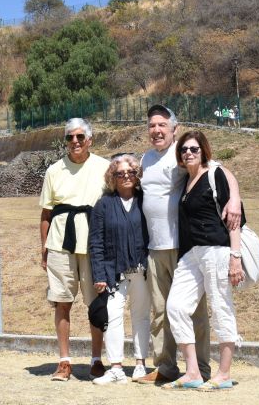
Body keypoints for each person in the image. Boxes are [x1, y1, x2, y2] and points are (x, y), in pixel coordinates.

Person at [135, 105, 241, 387]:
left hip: (186, 245)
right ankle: (166, 366)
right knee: (164, 310)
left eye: (162, 125)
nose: (156, 130)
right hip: (157, 247)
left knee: (199, 312)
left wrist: (234, 197)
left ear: (174, 129)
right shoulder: (146, 158)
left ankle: (205, 369)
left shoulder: (183, 151)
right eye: (151, 125)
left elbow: (218, 169)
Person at [166, 130, 245, 390]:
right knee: (176, 307)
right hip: (190, 254)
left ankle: (223, 373)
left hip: (217, 249)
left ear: (203, 152)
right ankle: (192, 372)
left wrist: (235, 257)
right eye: (184, 150)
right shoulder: (185, 181)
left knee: (221, 306)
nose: (188, 153)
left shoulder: (215, 174)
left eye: (193, 149)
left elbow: (234, 220)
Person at [39, 118, 110, 381]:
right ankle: (64, 361)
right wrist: (44, 248)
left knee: (96, 305)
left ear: (90, 139)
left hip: (94, 246)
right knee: (62, 303)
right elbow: (46, 213)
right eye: (70, 137)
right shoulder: (54, 170)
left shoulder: (104, 167)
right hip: (60, 245)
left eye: (80, 137)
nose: (75, 142)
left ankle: (96, 360)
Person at [88, 154, 151, 384]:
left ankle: (140, 364)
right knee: (113, 317)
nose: (126, 176)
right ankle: (115, 367)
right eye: (120, 173)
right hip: (114, 273)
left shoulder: (145, 200)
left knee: (141, 317)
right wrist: (99, 274)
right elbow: (95, 242)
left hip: (141, 270)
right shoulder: (103, 205)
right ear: (112, 177)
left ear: (137, 175)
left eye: (131, 172)